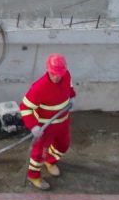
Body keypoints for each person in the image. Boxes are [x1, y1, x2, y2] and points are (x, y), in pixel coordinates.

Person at [19, 53, 77, 190]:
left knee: (63, 146)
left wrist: (72, 97)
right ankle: (33, 175)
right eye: (53, 73)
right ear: (48, 70)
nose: (56, 77)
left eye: (59, 74)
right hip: (46, 127)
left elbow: (70, 87)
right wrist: (33, 126)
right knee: (39, 154)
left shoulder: (66, 75)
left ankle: (50, 161)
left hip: (63, 122)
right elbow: (25, 107)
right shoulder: (39, 88)